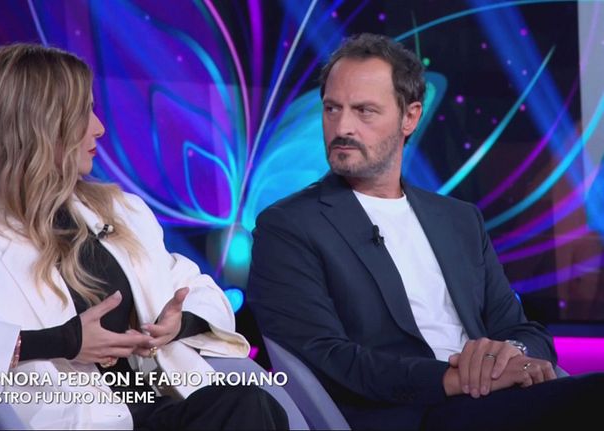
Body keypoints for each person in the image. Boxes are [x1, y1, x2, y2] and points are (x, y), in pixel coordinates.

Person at [0, 43, 288, 430]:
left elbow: (197, 288)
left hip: (162, 406)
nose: (99, 128)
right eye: (84, 112)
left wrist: (176, 324)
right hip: (79, 419)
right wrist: (61, 342)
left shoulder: (122, 211)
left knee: (251, 404)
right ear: (39, 125)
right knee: (245, 409)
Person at [247, 33, 602, 431]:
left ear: (410, 117)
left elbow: (523, 330)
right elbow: (325, 356)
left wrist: (508, 355)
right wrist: (454, 378)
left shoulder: (459, 220)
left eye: (364, 111)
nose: (342, 126)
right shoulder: (289, 225)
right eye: (332, 109)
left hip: (499, 398)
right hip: (413, 412)